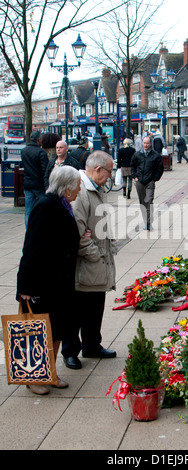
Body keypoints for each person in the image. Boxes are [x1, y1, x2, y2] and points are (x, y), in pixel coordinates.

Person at [16, 166, 81, 395]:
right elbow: (31, 247)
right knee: (37, 331)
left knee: (56, 330)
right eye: (77, 185)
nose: (79, 188)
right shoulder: (45, 205)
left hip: (59, 281)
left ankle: (49, 372)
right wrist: (24, 286)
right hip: (41, 282)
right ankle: (33, 377)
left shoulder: (62, 204)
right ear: (67, 186)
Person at [62, 151, 117, 370]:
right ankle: (70, 352)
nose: (111, 176)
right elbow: (78, 233)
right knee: (76, 311)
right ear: (97, 170)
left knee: (96, 306)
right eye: (110, 171)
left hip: (98, 260)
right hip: (86, 263)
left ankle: (92, 345)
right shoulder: (81, 192)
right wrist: (95, 254)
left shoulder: (97, 188)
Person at [131, 136, 164, 230]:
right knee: (142, 203)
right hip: (139, 181)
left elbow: (160, 168)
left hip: (150, 182)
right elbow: (132, 166)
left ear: (150, 144)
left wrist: (155, 178)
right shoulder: (137, 154)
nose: (146, 145)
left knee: (148, 201)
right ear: (142, 143)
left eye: (147, 143)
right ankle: (145, 221)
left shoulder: (155, 155)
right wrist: (135, 176)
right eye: (144, 143)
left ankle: (149, 222)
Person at [21, 130, 49, 228]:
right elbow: (45, 170)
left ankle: (28, 231)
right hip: (39, 185)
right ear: (38, 139)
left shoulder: (24, 151)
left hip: (27, 184)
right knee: (43, 208)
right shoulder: (41, 152)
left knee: (28, 210)